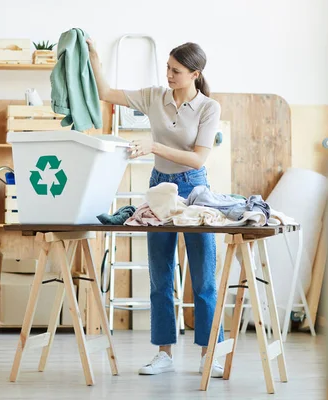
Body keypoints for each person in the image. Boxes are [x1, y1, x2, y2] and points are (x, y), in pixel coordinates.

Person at [87, 38, 225, 377]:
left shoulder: (209, 108)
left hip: (195, 187)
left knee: (203, 276)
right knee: (160, 274)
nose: (169, 75)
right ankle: (164, 352)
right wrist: (93, 55)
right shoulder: (154, 96)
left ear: (195, 74)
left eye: (176, 71)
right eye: (167, 68)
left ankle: (210, 354)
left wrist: (153, 145)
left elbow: (197, 157)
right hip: (159, 186)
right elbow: (106, 92)